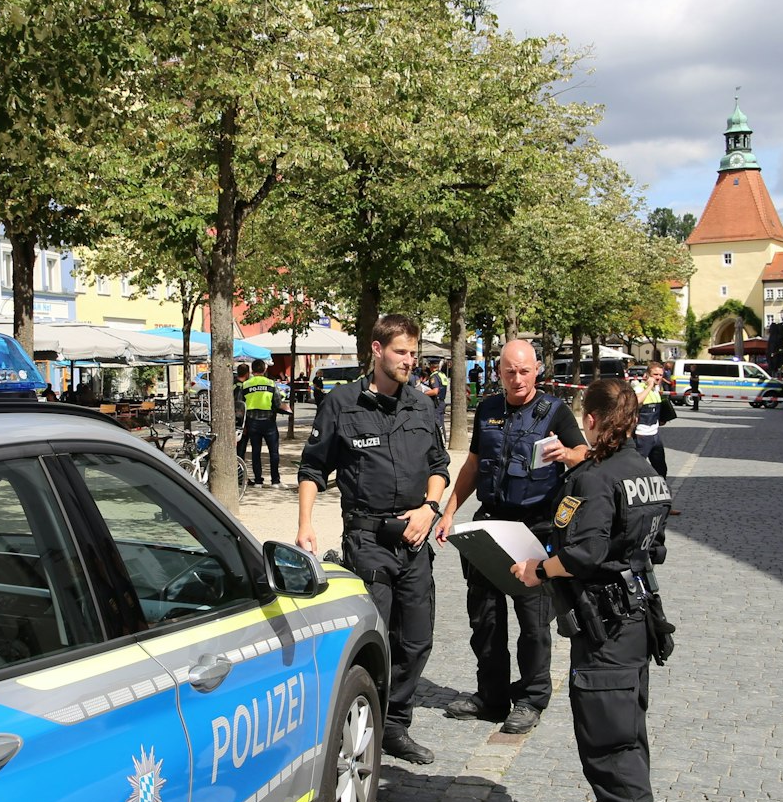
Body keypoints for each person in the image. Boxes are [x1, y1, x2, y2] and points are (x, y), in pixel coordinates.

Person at [511, 378, 672, 802]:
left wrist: (539, 568)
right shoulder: (646, 470)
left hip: (607, 626)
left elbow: (580, 553)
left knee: (611, 743)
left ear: (596, 420)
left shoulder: (596, 479)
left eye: (586, 416)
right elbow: (656, 547)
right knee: (624, 731)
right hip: (634, 620)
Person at [298, 314, 449, 766]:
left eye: (414, 352)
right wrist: (305, 523)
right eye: (402, 352)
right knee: (374, 639)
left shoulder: (422, 406)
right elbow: (311, 469)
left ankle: (395, 724)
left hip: (415, 539)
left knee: (417, 639)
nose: (410, 360)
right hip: (368, 540)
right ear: (377, 350)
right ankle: (362, 726)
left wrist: (430, 508)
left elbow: (440, 467)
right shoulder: (341, 404)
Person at [434, 339, 586, 735]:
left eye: (524, 371)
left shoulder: (555, 410)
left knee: (533, 622)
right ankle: (492, 696)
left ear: (537, 369)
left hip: (534, 528)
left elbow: (586, 454)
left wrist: (565, 455)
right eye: (509, 371)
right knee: (484, 617)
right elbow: (472, 464)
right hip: (489, 525)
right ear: (498, 372)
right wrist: (450, 511)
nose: (517, 379)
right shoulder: (487, 409)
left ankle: (532, 698)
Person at [240, 358, 288, 486]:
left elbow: (240, 405)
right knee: (273, 452)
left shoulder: (246, 384)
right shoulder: (271, 384)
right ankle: (275, 481)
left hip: (252, 422)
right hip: (268, 421)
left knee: (256, 452)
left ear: (252, 370)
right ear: (264, 369)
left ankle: (258, 481)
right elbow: (277, 403)